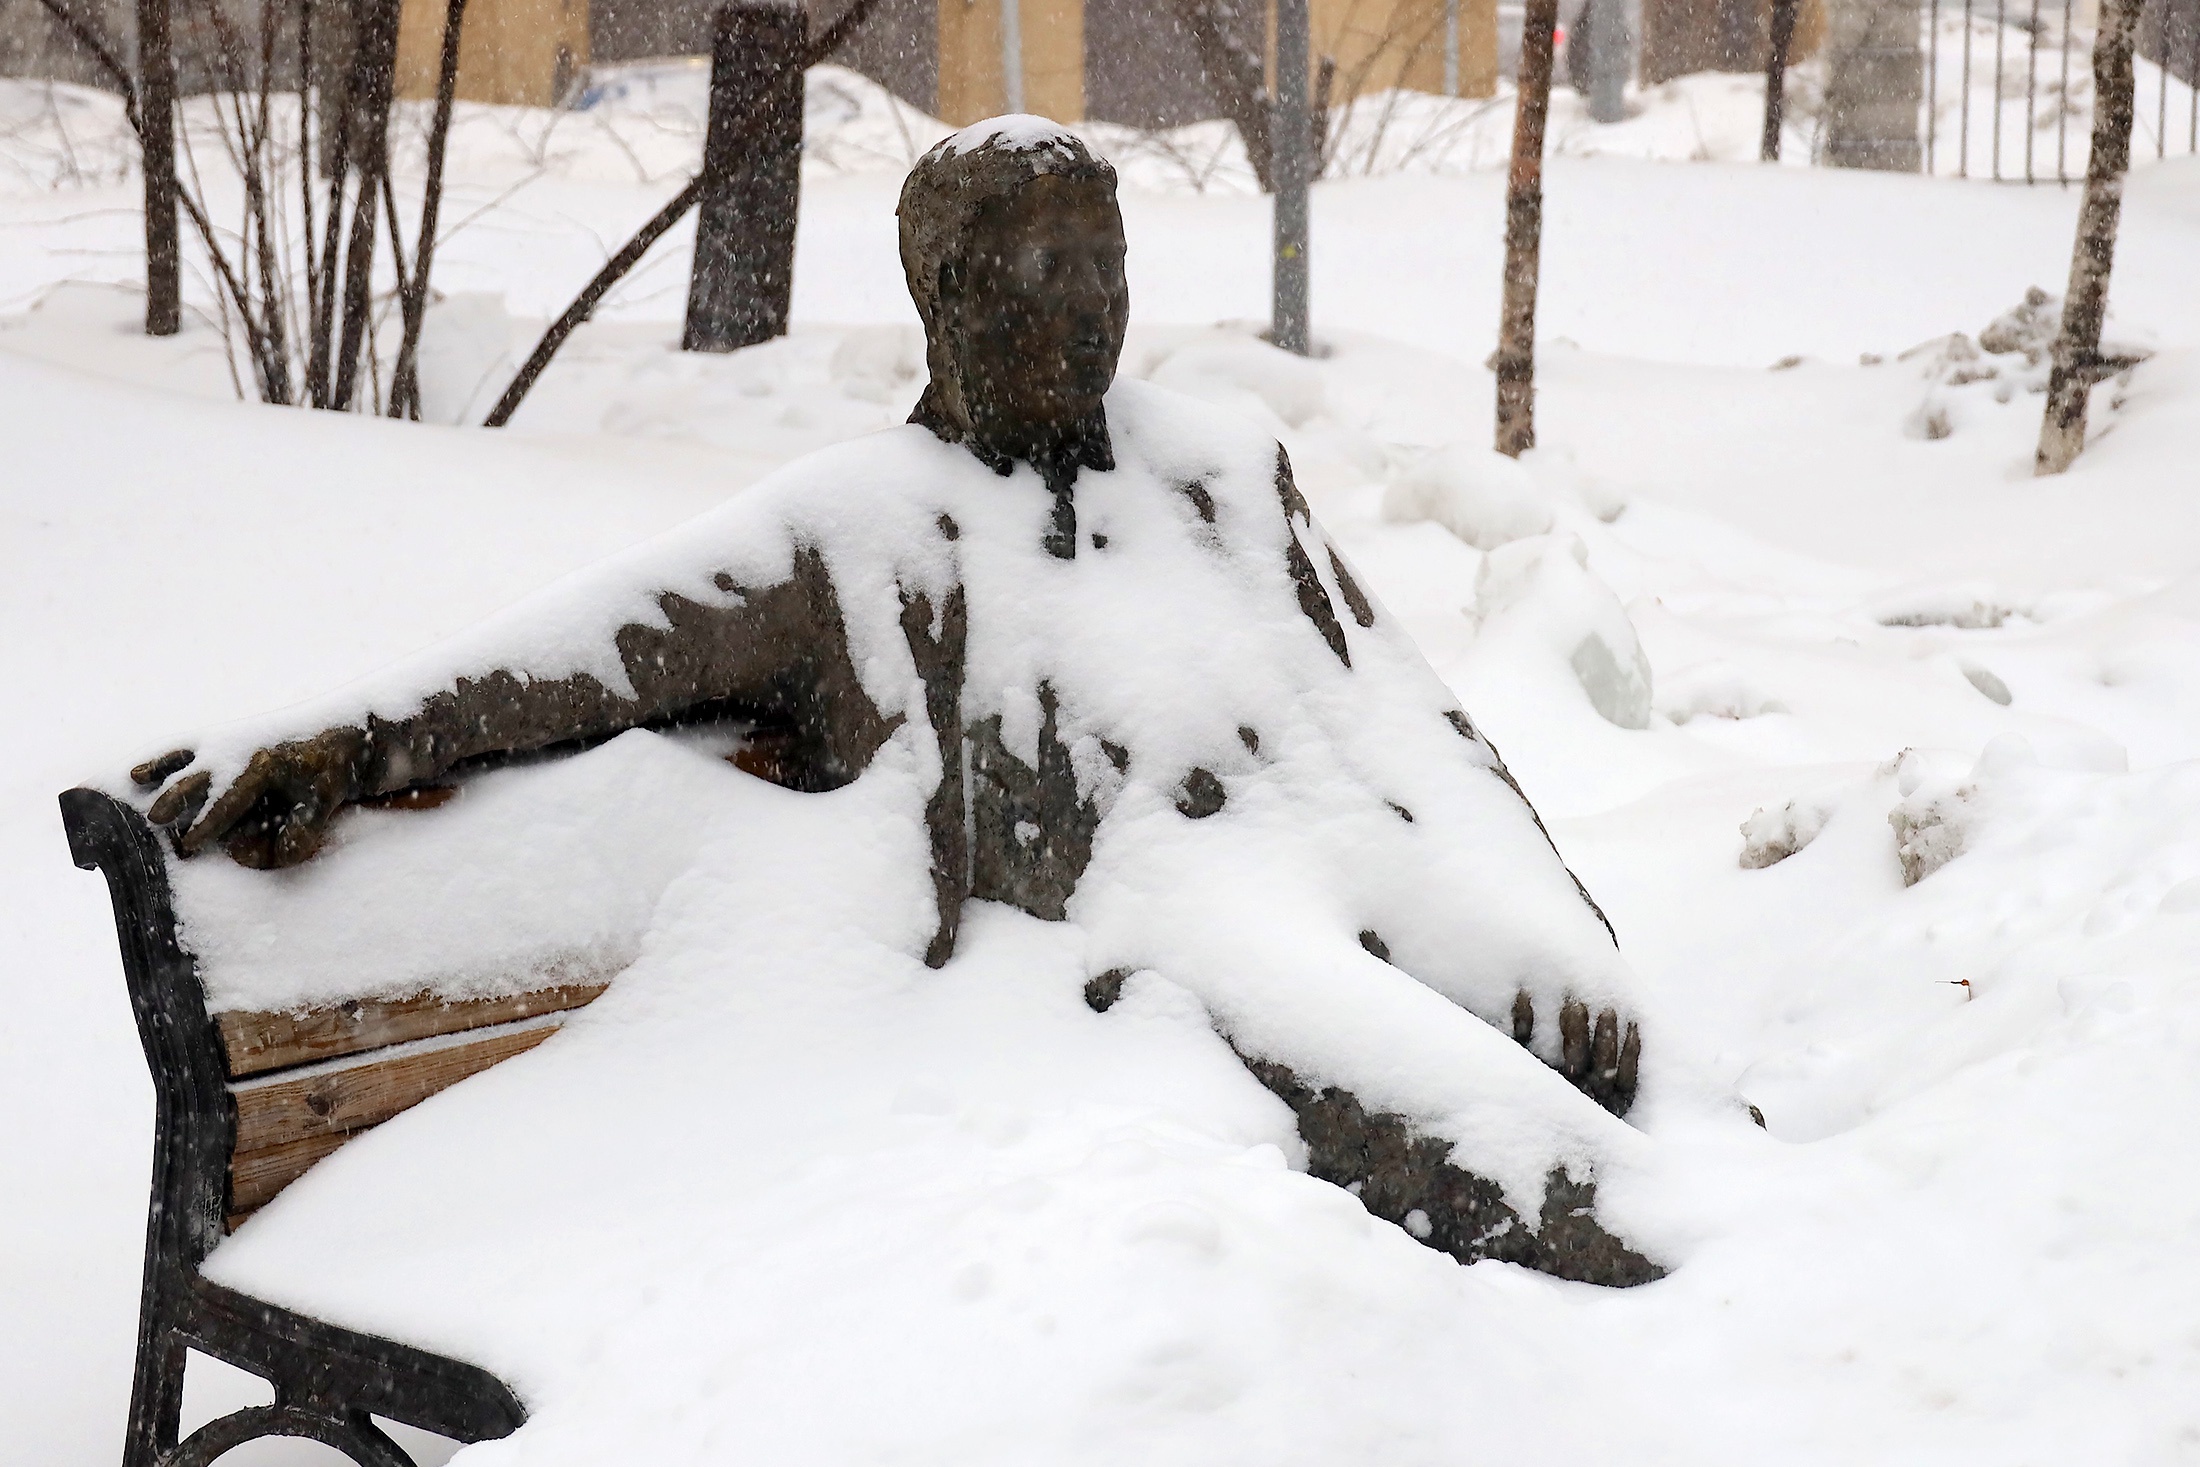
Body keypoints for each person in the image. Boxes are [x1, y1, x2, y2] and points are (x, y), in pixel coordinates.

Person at [133, 118, 1661, 1285]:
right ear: (943, 288)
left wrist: (1546, 925)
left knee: (1606, 1063)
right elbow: (600, 652)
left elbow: (1414, 731)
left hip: (1332, 886)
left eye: (1107, 266)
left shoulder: (1222, 470)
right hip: (1148, 967)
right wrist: (369, 734)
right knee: (1534, 1184)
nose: (1087, 312)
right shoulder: (866, 528)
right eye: (1045, 271)